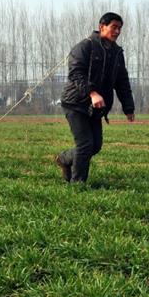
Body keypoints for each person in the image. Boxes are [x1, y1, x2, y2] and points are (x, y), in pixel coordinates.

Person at [56, 12, 135, 183]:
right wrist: (92, 93)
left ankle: (64, 159)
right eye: (114, 27)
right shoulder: (85, 47)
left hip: (96, 108)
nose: (117, 31)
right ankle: (77, 186)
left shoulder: (116, 53)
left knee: (95, 146)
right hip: (75, 103)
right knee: (85, 145)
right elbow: (76, 74)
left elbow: (122, 82)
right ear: (102, 27)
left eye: (120, 28)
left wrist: (128, 107)